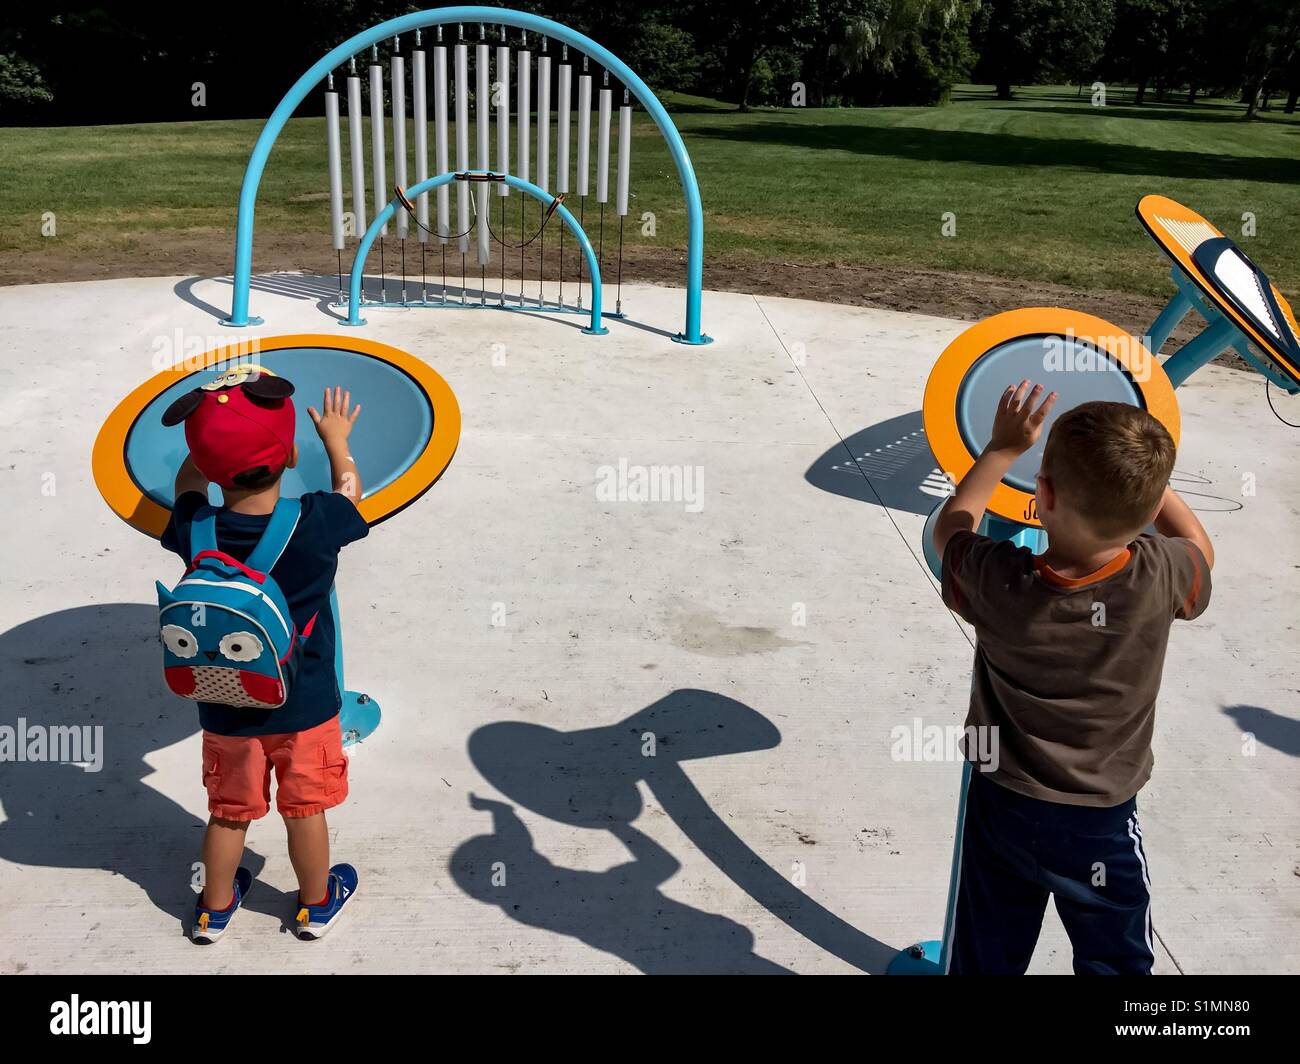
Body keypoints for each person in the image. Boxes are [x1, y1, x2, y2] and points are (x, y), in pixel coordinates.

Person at [932, 382, 1214, 975]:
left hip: (1002, 799)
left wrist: (1001, 450)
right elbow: (1200, 547)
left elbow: (950, 530)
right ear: (1149, 508)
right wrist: (1148, 486)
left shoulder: (996, 578)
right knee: (1115, 955)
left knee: (986, 947)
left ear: (1045, 494)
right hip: (1100, 816)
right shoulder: (1164, 574)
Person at [160, 372, 368, 942]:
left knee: (228, 810)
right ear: (290, 453)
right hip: (303, 708)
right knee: (304, 808)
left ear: (207, 465)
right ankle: (316, 903)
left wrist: (202, 454)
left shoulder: (192, 524)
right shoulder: (317, 521)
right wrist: (337, 441)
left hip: (225, 706)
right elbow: (351, 491)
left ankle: (213, 909)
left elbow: (186, 488)